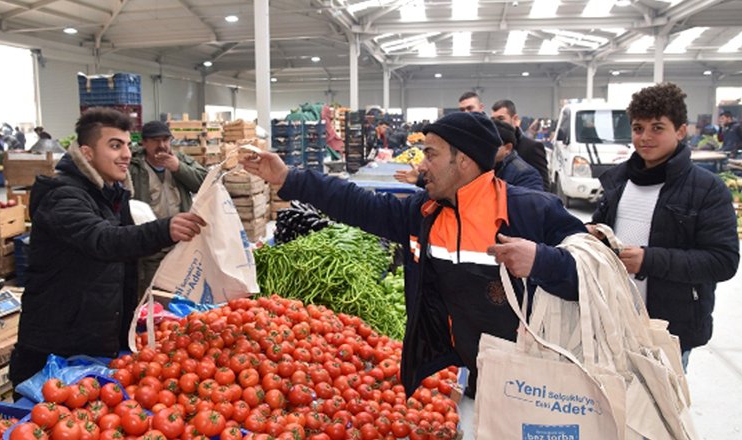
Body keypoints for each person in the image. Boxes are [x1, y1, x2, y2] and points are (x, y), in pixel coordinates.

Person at [242, 111, 586, 396]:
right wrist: (289, 177)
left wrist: (542, 260)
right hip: (472, 379)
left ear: (463, 160)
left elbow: (595, 275)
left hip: (535, 382)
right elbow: (359, 205)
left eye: (431, 154)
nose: (422, 166)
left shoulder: (529, 211)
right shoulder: (426, 213)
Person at [9, 108, 206, 387]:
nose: (126, 154)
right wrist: (165, 229)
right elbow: (104, 240)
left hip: (93, 339)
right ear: (87, 153)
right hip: (54, 347)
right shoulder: (62, 195)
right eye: (115, 145)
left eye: (127, 145)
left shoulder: (111, 192)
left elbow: (124, 259)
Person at [589, 83, 739, 371]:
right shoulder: (618, 181)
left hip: (669, 329)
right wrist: (595, 234)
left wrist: (649, 260)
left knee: (660, 412)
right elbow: (601, 227)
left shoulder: (707, 189)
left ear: (681, 131)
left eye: (657, 128)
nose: (645, 137)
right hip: (612, 321)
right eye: (638, 128)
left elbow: (723, 261)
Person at [129, 121, 208, 297]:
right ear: (144, 142)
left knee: (182, 292)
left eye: (166, 139)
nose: (162, 145)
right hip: (151, 245)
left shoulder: (180, 160)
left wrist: (179, 168)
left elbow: (206, 184)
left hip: (181, 243)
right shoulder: (133, 167)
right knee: (152, 295)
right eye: (156, 140)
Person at [393, 120, 543, 192]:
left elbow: (532, 210)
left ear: (507, 148)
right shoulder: (483, 166)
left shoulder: (525, 174)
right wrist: (421, 179)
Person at [491, 99, 550, 191]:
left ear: (515, 119)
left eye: (501, 119)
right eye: (493, 120)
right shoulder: (489, 147)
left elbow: (544, 187)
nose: (496, 124)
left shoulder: (531, 147)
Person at [492, 120, 544, 191]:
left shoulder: (526, 175)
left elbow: (532, 200)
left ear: (508, 148)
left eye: (492, 144)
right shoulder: (481, 167)